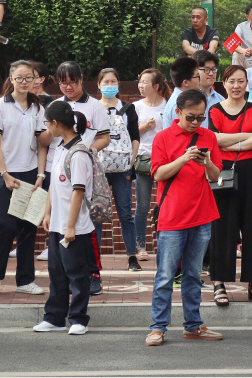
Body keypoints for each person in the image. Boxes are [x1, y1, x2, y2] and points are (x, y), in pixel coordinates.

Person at [146, 89, 224, 346]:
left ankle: (193, 325)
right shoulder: (163, 137)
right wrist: (184, 158)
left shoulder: (208, 136)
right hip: (172, 216)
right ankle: (158, 327)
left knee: (193, 275)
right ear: (177, 112)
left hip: (202, 214)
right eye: (191, 117)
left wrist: (206, 163)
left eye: (201, 117)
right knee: (165, 275)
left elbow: (216, 175)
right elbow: (158, 174)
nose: (196, 122)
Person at [0, 61, 48, 296]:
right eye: (19, 78)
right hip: (5, 174)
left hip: (31, 173)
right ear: (11, 79)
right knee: (7, 225)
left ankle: (25, 280)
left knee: (28, 227)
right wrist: (4, 174)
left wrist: (40, 174)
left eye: (28, 78)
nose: (24, 82)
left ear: (35, 80)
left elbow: (41, 144)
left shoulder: (38, 108)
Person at [33, 101, 95, 335]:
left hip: (75, 226)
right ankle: (55, 317)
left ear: (56, 123)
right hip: (58, 224)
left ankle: (78, 319)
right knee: (56, 273)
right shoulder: (60, 148)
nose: (46, 128)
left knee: (77, 275)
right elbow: (53, 185)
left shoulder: (79, 153)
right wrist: (47, 212)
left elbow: (78, 191)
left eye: (47, 123)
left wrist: (70, 226)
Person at [207, 65, 252, 305]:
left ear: (247, 84)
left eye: (241, 81)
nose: (236, 86)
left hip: (250, 171)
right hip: (223, 171)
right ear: (224, 83)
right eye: (231, 81)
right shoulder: (215, 110)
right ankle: (219, 282)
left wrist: (231, 144)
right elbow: (215, 139)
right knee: (223, 226)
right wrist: (245, 137)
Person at [54, 61, 110, 295]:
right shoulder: (56, 106)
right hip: (60, 171)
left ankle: (93, 273)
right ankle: (70, 275)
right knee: (64, 224)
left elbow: (104, 137)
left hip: (84, 169)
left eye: (73, 82)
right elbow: (47, 138)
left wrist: (87, 151)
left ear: (81, 79)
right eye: (63, 83)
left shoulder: (95, 106)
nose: (68, 87)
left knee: (89, 223)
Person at [95, 68, 141, 271]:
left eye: (113, 81)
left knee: (125, 213)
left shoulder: (128, 108)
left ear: (118, 83)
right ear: (98, 85)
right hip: (99, 169)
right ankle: (94, 257)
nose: (109, 85)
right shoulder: (93, 108)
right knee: (97, 214)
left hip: (123, 169)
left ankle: (132, 256)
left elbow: (135, 136)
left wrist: (132, 160)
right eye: (105, 82)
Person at [131, 68, 170, 261]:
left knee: (165, 204)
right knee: (142, 206)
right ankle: (140, 245)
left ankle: (164, 244)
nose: (140, 85)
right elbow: (129, 134)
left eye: (145, 82)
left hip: (165, 161)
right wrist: (144, 127)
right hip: (143, 160)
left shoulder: (168, 105)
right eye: (140, 81)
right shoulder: (136, 107)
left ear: (156, 86)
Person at [162, 57, 201, 130]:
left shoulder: (187, 99)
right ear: (186, 82)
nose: (200, 79)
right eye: (197, 76)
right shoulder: (177, 105)